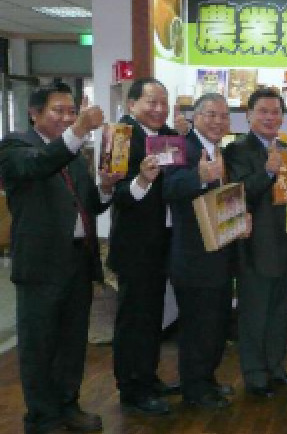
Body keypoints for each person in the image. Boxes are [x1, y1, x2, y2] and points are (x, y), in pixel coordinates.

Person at [0, 83, 120, 434]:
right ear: (34, 113)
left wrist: (106, 188)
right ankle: (41, 423)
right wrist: (79, 129)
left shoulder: (74, 154)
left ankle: (68, 406)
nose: (67, 118)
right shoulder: (15, 147)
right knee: (40, 347)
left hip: (77, 260)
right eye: (59, 111)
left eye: (72, 112)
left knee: (71, 342)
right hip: (40, 265)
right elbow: (39, 165)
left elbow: (89, 205)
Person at [225, 88, 287, 398]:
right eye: (263, 112)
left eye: (275, 112)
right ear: (248, 115)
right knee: (255, 314)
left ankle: (275, 367)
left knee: (281, 312)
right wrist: (268, 172)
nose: (270, 117)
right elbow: (238, 193)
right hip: (255, 246)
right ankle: (255, 375)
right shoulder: (236, 150)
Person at [162, 93, 240, 408]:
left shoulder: (222, 151)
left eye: (224, 116)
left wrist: (241, 217)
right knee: (197, 327)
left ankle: (207, 379)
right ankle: (195, 390)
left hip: (221, 253)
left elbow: (224, 197)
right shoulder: (179, 146)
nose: (218, 121)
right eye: (211, 114)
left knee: (216, 325)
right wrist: (200, 175)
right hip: (193, 257)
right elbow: (169, 188)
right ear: (195, 117)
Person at [109, 78, 177, 415]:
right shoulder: (121, 137)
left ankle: (147, 376)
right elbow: (117, 195)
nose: (159, 109)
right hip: (135, 246)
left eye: (164, 102)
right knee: (134, 318)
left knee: (152, 316)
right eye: (151, 102)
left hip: (163, 240)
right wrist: (142, 180)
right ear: (132, 104)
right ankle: (131, 387)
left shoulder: (169, 136)